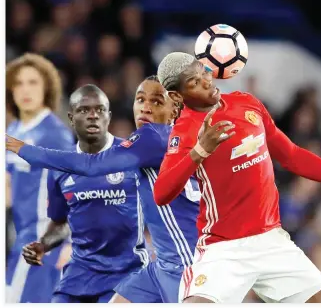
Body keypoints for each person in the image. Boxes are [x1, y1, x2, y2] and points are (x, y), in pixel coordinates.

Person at [152, 52, 321, 304]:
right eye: (194, 82)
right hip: (224, 248)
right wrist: (200, 151)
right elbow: (161, 193)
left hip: (272, 241)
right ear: (176, 96)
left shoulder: (246, 103)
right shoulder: (184, 132)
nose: (206, 81)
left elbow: (291, 155)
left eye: (204, 72)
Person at [6, 76, 261, 303]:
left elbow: (90, 166)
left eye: (156, 102)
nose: (145, 107)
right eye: (140, 100)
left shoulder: (153, 138)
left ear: (174, 109)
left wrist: (25, 149)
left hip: (185, 262)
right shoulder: (166, 138)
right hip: (160, 264)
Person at [21, 84, 149, 303]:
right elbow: (60, 222)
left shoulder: (133, 157)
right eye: (84, 110)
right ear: (71, 118)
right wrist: (43, 244)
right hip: (79, 274)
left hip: (127, 273)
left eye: (99, 110)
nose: (92, 116)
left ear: (108, 116)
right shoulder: (60, 166)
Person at [5, 53, 75, 303]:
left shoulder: (54, 135)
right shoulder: (12, 131)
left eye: (33, 82)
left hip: (43, 240)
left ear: (47, 87)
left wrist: (72, 242)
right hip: (18, 236)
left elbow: (75, 189)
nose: (26, 90)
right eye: (19, 83)